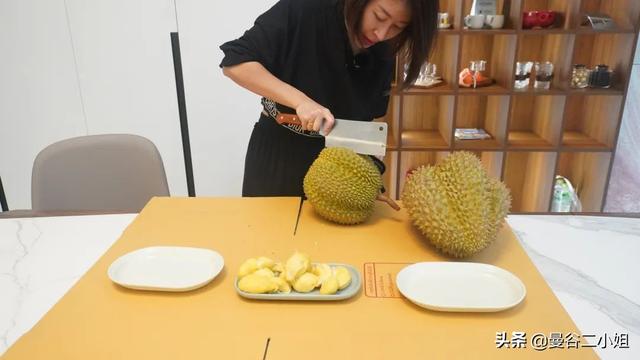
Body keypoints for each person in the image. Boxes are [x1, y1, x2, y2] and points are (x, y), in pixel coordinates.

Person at [220, 0, 438, 207]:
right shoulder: (306, 9)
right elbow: (235, 62)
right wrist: (301, 102)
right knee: (269, 241)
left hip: (340, 164)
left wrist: (369, 176)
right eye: (379, 16)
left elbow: (368, 120)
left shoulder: (384, 48)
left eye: (398, 26)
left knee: (335, 245)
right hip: (280, 152)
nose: (381, 34)